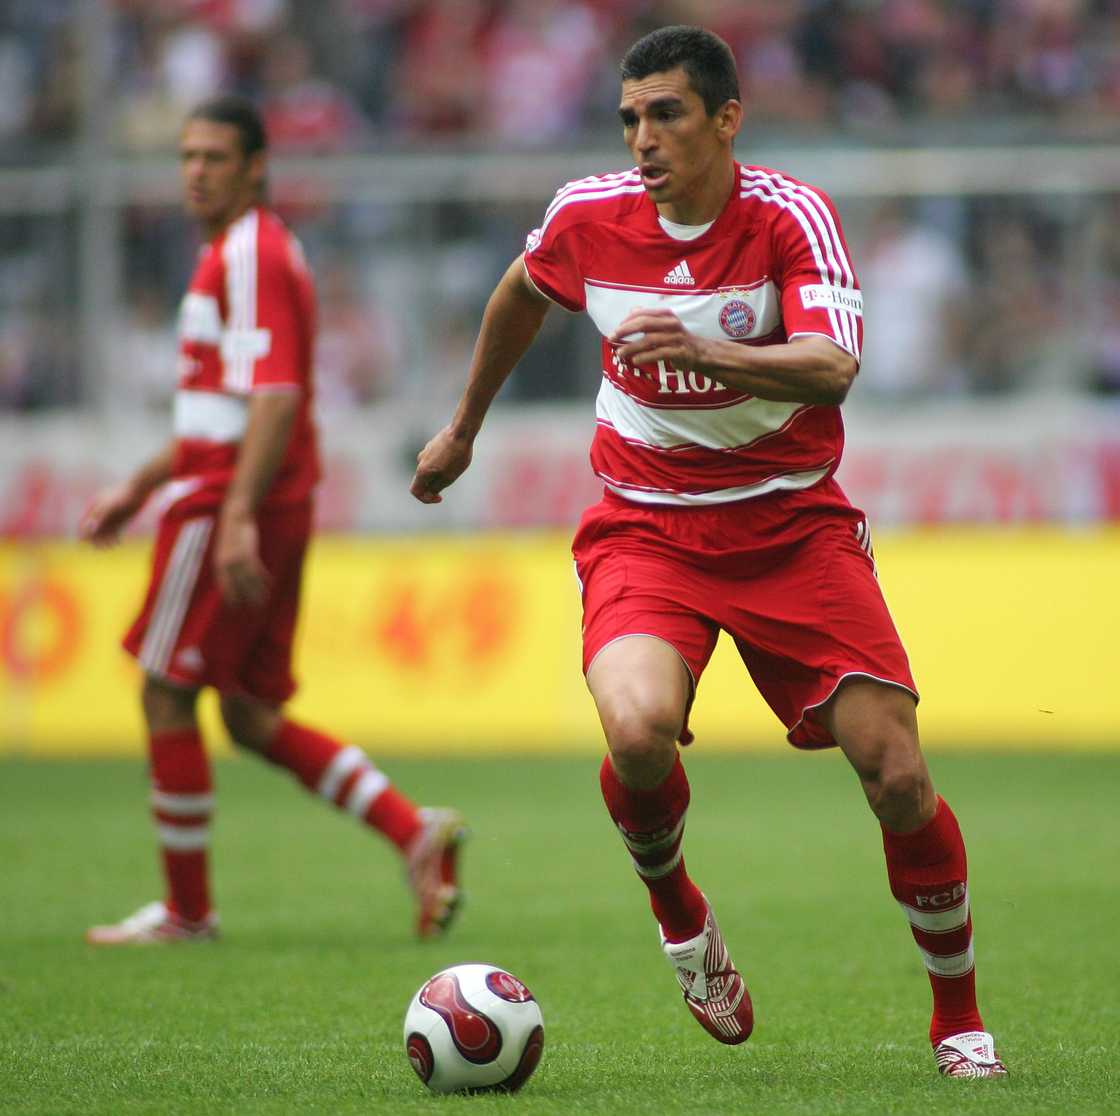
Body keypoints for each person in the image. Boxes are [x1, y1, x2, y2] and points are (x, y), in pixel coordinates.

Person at [411, 26, 1006, 1078]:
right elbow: (519, 294)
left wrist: (706, 349)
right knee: (636, 730)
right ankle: (680, 916)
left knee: (898, 774)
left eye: (667, 114)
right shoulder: (586, 215)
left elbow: (831, 366)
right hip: (645, 528)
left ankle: (957, 1021)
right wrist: (463, 430)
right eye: (629, 118)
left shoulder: (789, 216)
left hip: (790, 527)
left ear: (726, 119)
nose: (643, 138)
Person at [80, 95, 465, 945]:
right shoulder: (239, 252)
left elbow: (277, 395)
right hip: (256, 496)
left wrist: (236, 515)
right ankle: (413, 831)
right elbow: (218, 411)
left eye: (215, 157)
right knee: (248, 713)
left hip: (229, 501)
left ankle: (187, 913)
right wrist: (139, 486)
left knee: (165, 690)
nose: (196, 172)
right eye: (187, 157)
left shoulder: (250, 252)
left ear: (256, 167)